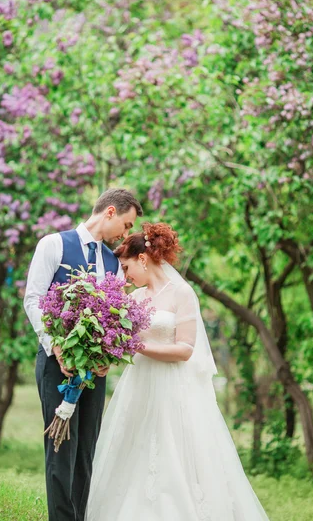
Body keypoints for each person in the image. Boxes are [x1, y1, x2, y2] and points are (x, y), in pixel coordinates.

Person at [85, 222, 270, 521]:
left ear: (142, 259)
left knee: (174, 456)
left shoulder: (182, 294)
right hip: (139, 387)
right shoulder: (133, 299)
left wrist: (137, 347)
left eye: (126, 266)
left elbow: (185, 350)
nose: (125, 275)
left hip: (173, 388)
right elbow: (122, 344)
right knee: (135, 454)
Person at [24, 188, 143, 521]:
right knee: (61, 450)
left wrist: (107, 356)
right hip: (55, 365)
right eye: (126, 223)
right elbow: (33, 300)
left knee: (86, 450)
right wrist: (55, 345)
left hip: (95, 374)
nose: (127, 233)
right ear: (109, 212)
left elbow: (115, 316)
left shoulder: (113, 264)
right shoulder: (53, 244)